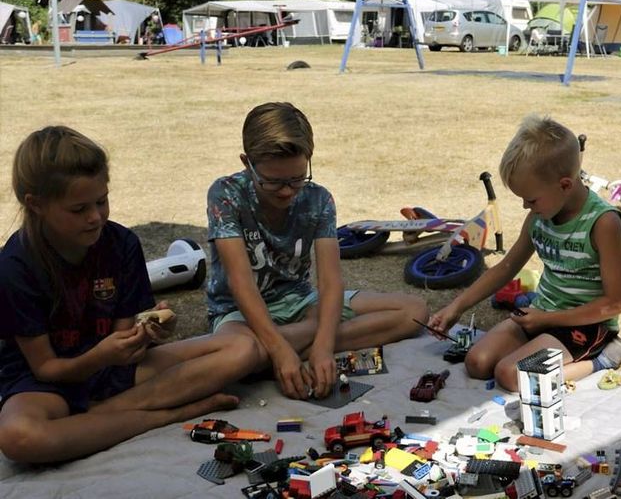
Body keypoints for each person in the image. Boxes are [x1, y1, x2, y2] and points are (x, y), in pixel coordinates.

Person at [0, 126, 258, 464]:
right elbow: (47, 368)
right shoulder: (15, 265)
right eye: (79, 209)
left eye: (102, 201)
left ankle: (99, 417)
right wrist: (103, 356)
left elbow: (124, 344)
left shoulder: (121, 244)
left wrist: (146, 333)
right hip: (45, 387)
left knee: (243, 348)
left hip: (113, 374)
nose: (96, 217)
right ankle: (161, 415)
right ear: (35, 205)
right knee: (19, 437)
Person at [207, 102, 427, 400]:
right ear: (247, 163)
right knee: (240, 351)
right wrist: (288, 346)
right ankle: (282, 347)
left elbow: (331, 281)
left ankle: (276, 353)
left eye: (297, 179)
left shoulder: (319, 199)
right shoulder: (226, 194)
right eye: (272, 182)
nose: (286, 191)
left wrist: (323, 347)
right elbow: (241, 283)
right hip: (238, 313)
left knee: (414, 312)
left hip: (300, 301)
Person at [427, 115, 621, 391]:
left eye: (531, 199)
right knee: (476, 362)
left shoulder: (603, 223)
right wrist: (456, 307)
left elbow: (614, 304)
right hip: (541, 313)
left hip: (586, 325)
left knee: (510, 376)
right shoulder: (540, 216)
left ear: (565, 185)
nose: (525, 206)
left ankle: (603, 359)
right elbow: (506, 267)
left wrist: (546, 319)